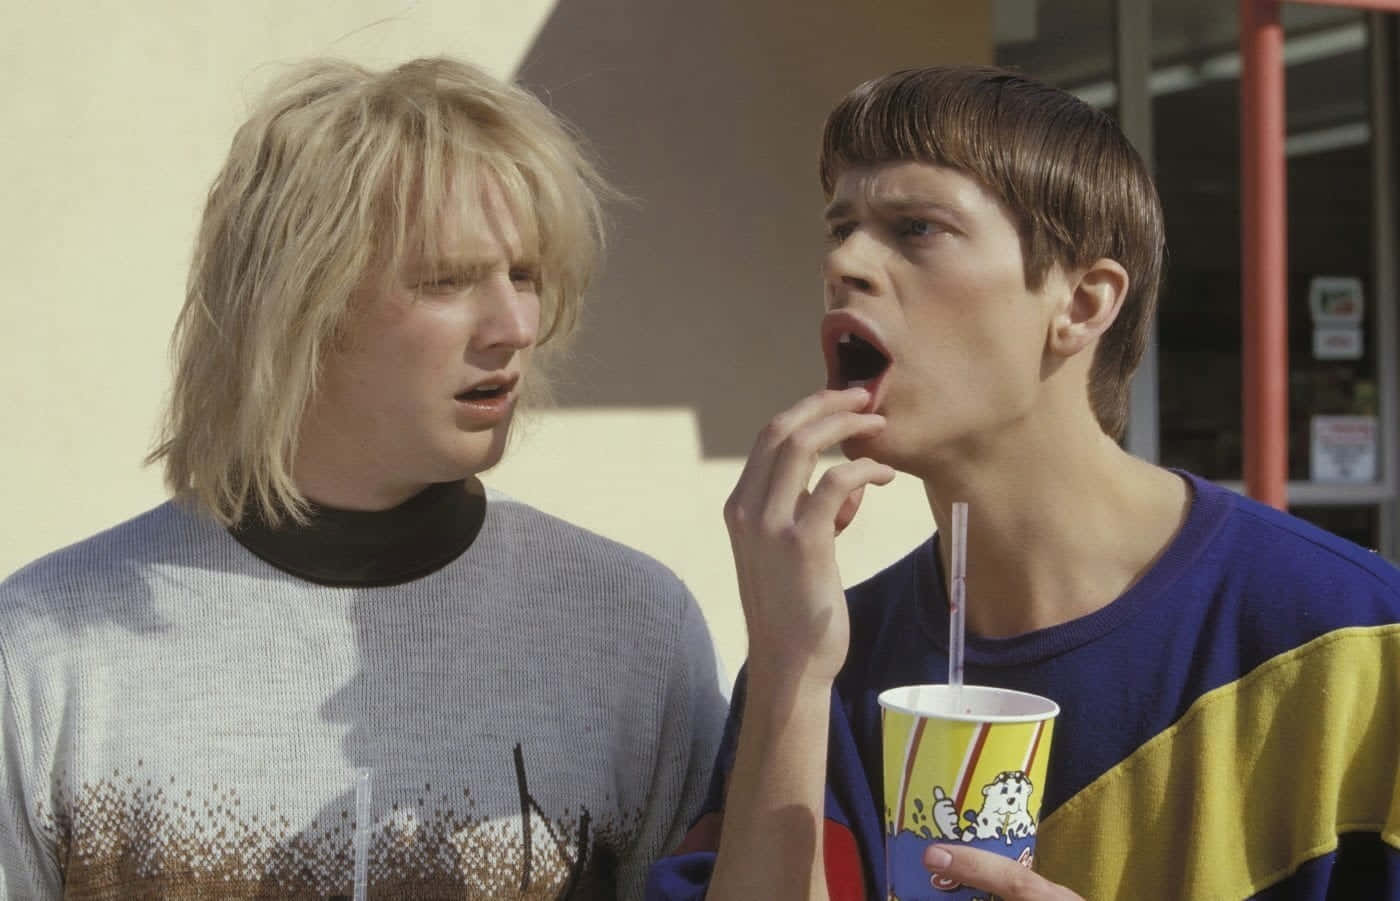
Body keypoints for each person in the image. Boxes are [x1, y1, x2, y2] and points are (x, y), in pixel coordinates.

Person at [646, 65, 1400, 900]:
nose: (844, 262)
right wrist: (788, 670)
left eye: (916, 227)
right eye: (842, 227)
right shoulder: (820, 660)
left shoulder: (1353, 637)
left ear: (1082, 303)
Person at [0, 56, 727, 900]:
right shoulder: (52, 651)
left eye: (524, 275)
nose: (515, 325)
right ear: (298, 305)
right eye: (447, 280)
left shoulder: (632, 631)